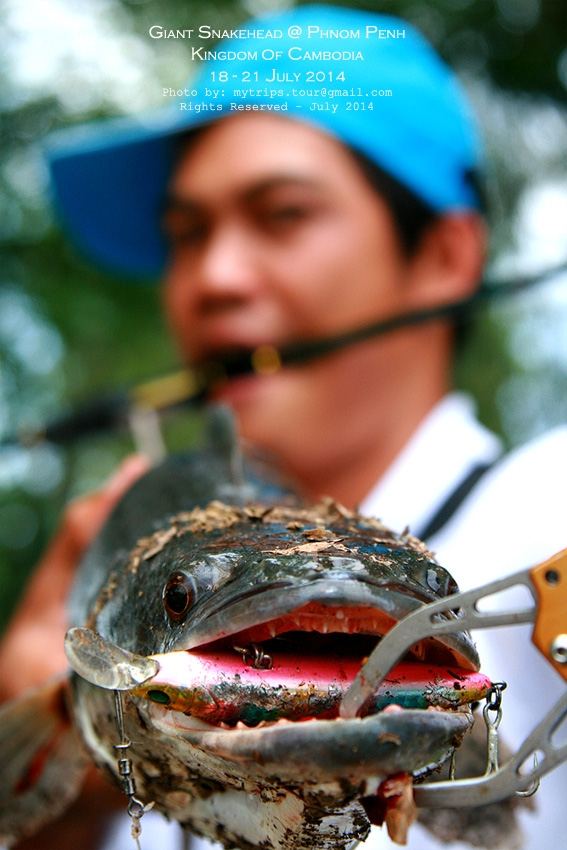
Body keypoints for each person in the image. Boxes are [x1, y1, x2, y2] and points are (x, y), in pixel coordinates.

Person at [1, 6, 565, 850]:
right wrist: (57, 793)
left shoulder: (548, 508)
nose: (212, 278)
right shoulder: (143, 645)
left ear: (446, 258)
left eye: (283, 214)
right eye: (184, 234)